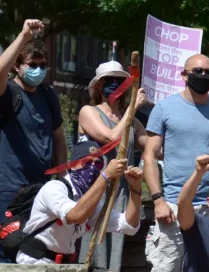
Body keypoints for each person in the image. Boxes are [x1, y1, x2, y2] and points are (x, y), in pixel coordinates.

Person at [143, 54, 209, 272]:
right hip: (172, 207)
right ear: (184, 75)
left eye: (208, 72)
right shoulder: (164, 108)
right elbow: (149, 156)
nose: (203, 75)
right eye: (198, 71)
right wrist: (158, 200)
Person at [0, 19, 67, 263]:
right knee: (6, 250)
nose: (38, 70)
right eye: (32, 65)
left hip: (41, 189)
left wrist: (62, 180)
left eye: (43, 65)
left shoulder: (48, 93)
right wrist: (23, 36)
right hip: (9, 188)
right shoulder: (8, 93)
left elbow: (59, 138)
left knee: (35, 253)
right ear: (18, 67)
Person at [16, 141, 142, 264]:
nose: (93, 168)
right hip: (35, 262)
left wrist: (135, 189)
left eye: (98, 164)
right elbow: (75, 216)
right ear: (72, 165)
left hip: (63, 265)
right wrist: (105, 176)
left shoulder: (88, 201)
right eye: (86, 162)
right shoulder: (54, 187)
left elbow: (128, 225)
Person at [75, 60, 147, 269]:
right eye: (109, 80)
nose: (115, 84)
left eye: (120, 80)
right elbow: (110, 138)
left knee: (114, 255)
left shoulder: (130, 118)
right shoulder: (88, 111)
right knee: (91, 251)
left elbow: (154, 146)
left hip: (122, 194)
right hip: (95, 190)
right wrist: (131, 109)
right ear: (98, 85)